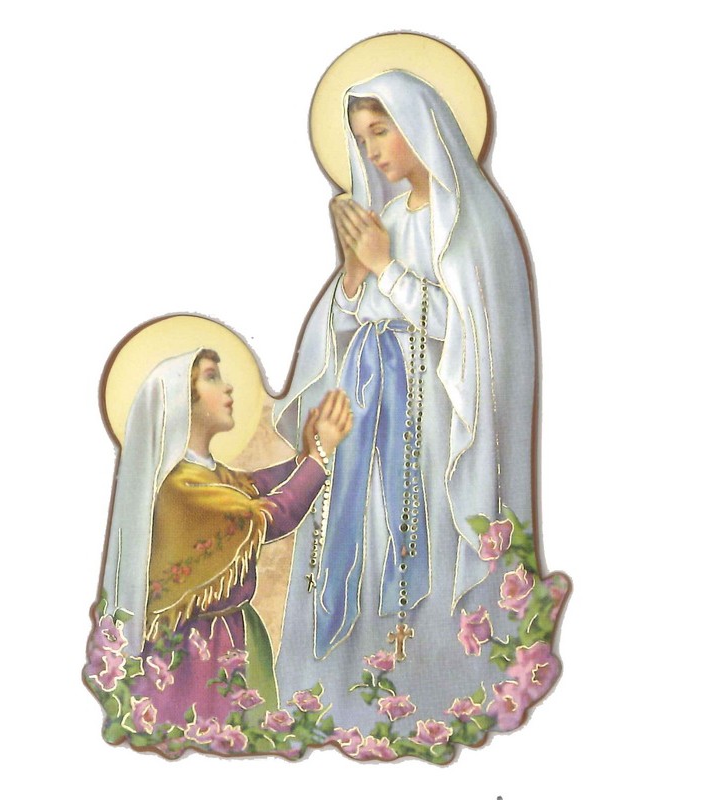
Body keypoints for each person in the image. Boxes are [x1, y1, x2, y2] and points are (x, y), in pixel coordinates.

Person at [273, 70, 545, 731]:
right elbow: (352, 317)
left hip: (436, 418)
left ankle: (430, 687)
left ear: (420, 126)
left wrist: (385, 269)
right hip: (370, 414)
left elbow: (470, 335)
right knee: (370, 535)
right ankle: (357, 685)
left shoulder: (468, 223)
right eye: (361, 139)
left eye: (380, 131)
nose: (370, 152)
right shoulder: (390, 219)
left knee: (423, 532)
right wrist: (355, 276)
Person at [86, 348, 352, 739]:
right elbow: (267, 516)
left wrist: (304, 458)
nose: (227, 387)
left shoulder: (205, 474)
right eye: (211, 377)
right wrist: (318, 459)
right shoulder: (180, 488)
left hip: (232, 635)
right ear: (183, 401)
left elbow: (251, 486)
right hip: (198, 655)